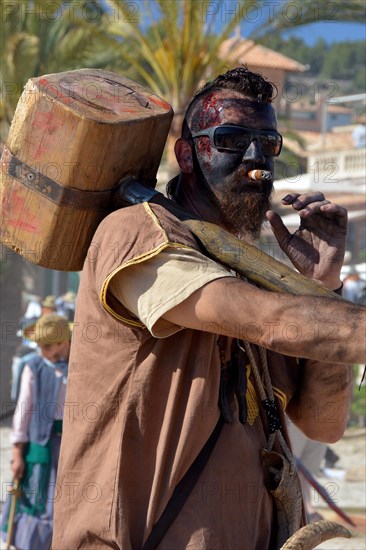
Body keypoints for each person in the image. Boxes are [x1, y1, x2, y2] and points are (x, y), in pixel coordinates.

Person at [53, 67, 365, 549]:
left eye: (268, 142)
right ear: (187, 153)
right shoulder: (138, 232)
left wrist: (321, 283)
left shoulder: (247, 275)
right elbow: (271, 322)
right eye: (232, 138)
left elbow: (323, 424)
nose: (257, 158)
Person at [1, 314, 71, 550]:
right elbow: (23, 412)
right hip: (38, 448)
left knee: (58, 503)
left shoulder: (76, 369)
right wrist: (18, 453)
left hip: (66, 449)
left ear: (65, 343)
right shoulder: (34, 367)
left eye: (48, 346)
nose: (42, 351)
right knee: (35, 500)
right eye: (39, 346)